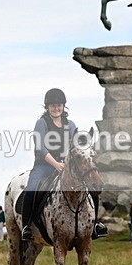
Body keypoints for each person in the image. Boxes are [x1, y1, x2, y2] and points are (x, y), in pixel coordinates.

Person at [20, 88, 107, 242]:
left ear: (63, 106)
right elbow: (40, 149)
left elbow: (76, 145)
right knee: (31, 190)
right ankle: (27, 226)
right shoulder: (41, 123)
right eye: (53, 105)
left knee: (90, 186)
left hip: (66, 165)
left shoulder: (70, 124)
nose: (56, 108)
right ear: (47, 107)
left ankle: (95, 223)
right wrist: (56, 165)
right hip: (44, 165)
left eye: (59, 105)